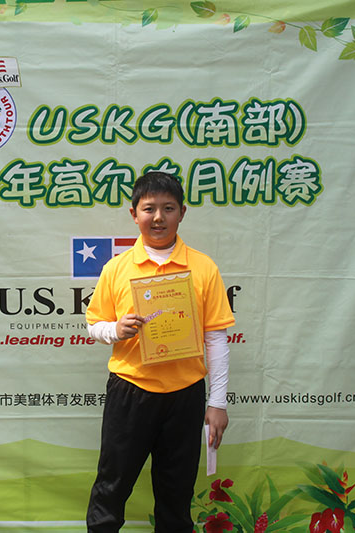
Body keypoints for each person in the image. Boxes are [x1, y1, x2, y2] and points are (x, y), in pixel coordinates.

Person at [85, 171, 235, 533]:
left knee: (176, 495)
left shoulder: (203, 267)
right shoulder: (117, 268)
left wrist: (217, 403)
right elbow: (94, 324)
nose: (158, 217)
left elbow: (216, 338)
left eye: (168, 208)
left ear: (182, 212)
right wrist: (115, 329)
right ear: (133, 214)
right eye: (149, 208)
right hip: (130, 391)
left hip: (185, 394)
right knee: (111, 487)